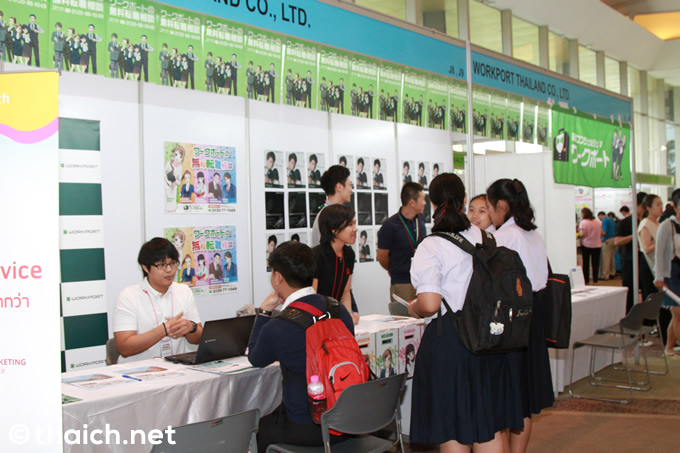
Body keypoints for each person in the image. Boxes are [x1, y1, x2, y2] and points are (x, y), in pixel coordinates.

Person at [407, 173, 520, 451]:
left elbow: (430, 304)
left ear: (432, 203)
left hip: (451, 342)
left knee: (452, 426)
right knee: (487, 424)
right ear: (465, 199)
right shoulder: (487, 237)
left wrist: (414, 307)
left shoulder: (432, 244)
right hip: (489, 340)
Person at [248, 241, 353, 452]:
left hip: (306, 426)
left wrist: (265, 311)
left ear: (278, 277)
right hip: (348, 420)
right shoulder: (338, 309)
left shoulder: (279, 326)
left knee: (256, 429)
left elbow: (255, 358)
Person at [486, 178, 553, 453]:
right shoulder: (531, 233)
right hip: (532, 317)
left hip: (511, 323)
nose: (488, 215)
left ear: (501, 206)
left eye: (489, 207)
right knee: (523, 398)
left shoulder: (507, 236)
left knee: (507, 398)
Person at [113, 238, 203, 363]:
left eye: (173, 263)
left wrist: (191, 327)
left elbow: (198, 339)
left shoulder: (184, 291)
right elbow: (124, 348)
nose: (169, 270)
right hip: (138, 370)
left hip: (177, 367)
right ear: (145, 267)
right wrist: (164, 330)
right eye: (161, 265)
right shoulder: (129, 296)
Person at [377, 182, 427, 305]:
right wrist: (395, 268)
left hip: (422, 281)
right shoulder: (390, 226)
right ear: (412, 202)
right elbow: (382, 257)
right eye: (423, 199)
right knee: (404, 316)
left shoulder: (420, 220)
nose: (425, 203)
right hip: (403, 283)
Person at [312, 204, 360, 324]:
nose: (355, 229)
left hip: (336, 317)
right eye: (350, 224)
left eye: (354, 223)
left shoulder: (349, 254)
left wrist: (349, 315)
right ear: (334, 229)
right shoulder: (316, 255)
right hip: (317, 319)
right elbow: (312, 296)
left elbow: (346, 291)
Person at [655, 189, 680, 358]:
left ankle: (669, 348)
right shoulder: (666, 226)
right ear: (674, 206)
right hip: (671, 273)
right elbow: (659, 253)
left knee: (677, 315)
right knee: (678, 312)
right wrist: (659, 277)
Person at [616, 192, 650, 311]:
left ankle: (648, 318)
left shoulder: (649, 222)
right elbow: (617, 241)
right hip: (629, 262)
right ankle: (630, 316)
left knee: (648, 292)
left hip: (647, 262)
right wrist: (635, 235)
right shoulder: (625, 222)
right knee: (630, 293)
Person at [310, 165, 352, 246]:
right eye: (350, 185)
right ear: (339, 187)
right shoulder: (326, 216)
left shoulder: (334, 214)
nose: (351, 190)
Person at [638, 194, 662, 273]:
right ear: (649, 208)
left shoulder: (659, 224)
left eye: (661, 204)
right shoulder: (645, 224)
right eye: (658, 205)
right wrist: (662, 242)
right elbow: (646, 249)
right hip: (648, 264)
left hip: (658, 262)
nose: (661, 207)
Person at [579, 207, 602, 284]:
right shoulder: (597, 222)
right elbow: (601, 232)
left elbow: (582, 233)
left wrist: (578, 235)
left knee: (586, 263)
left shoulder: (583, 222)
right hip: (597, 244)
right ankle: (595, 280)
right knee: (595, 263)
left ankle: (586, 280)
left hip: (586, 244)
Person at [600, 210, 617, 280]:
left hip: (607, 240)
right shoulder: (612, 220)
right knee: (612, 258)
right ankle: (612, 273)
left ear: (601, 215)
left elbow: (604, 232)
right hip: (614, 239)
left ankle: (605, 275)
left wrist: (598, 234)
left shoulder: (605, 220)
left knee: (606, 258)